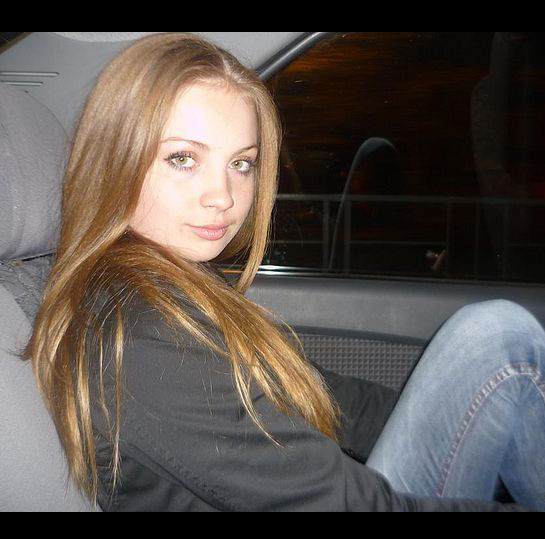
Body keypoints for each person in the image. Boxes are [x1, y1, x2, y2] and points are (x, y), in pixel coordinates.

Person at [26, 32, 544, 512]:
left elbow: (325, 396)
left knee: (495, 336)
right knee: (500, 340)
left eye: (241, 163)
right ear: (115, 158)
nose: (223, 196)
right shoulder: (143, 336)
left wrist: (454, 422)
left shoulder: (177, 284)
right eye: (183, 158)